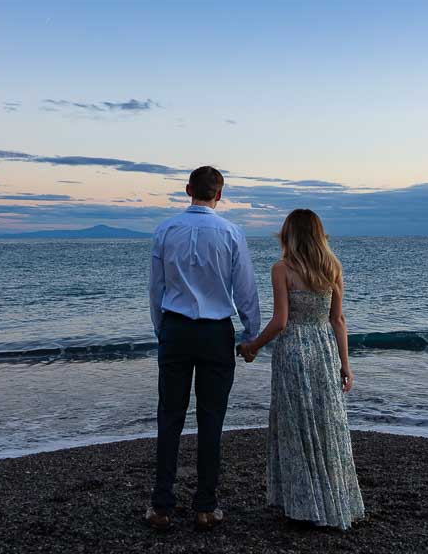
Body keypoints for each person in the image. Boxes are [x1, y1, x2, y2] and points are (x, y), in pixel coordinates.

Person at [146, 166, 261, 531]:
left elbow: (156, 288)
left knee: (170, 418)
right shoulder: (231, 232)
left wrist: (162, 328)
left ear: (188, 190)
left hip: (176, 330)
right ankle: (205, 507)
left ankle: (162, 506)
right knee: (211, 420)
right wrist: (251, 334)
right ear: (220, 194)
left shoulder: (165, 230)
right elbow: (245, 288)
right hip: (215, 334)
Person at [239, 209, 365, 529]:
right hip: (323, 350)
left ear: (288, 234)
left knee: (296, 424)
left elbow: (281, 322)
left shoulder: (282, 269)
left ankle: (302, 502)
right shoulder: (332, 267)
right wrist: (345, 364)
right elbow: (338, 320)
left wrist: (253, 346)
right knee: (326, 424)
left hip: (294, 351)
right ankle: (332, 499)